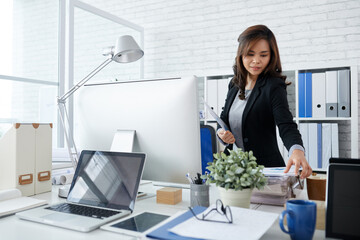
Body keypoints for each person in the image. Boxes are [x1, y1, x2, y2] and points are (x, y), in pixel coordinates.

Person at [217, 24, 312, 179]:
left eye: (263, 55)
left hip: (264, 170)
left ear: (271, 56)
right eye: (250, 54)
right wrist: (221, 134)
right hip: (232, 170)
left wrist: (296, 150)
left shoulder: (273, 86)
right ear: (241, 54)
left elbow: (286, 124)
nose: (256, 61)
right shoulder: (234, 84)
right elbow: (223, 120)